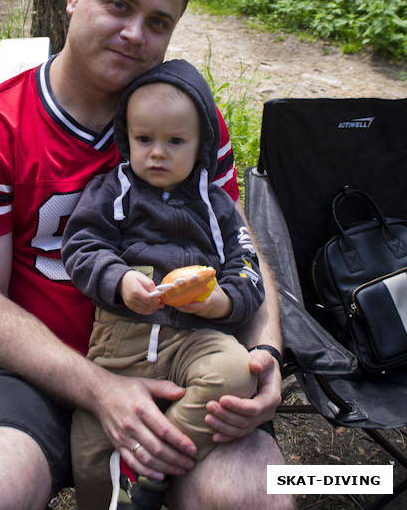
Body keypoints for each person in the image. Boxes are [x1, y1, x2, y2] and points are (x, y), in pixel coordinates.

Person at [0, 0, 291, 510]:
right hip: (28, 365)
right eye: (118, 5)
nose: (134, 34)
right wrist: (101, 389)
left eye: (158, 22)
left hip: (185, 350)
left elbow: (241, 244)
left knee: (257, 494)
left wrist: (268, 352)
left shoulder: (187, 123)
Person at [61, 58, 265, 509]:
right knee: (90, 442)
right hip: (121, 339)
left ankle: (155, 465)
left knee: (235, 373)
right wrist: (119, 279)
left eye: (175, 141)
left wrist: (224, 302)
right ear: (126, 139)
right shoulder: (114, 190)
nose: (157, 153)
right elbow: (80, 247)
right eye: (144, 139)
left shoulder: (217, 204)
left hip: (197, 337)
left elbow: (247, 264)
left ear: (201, 145)